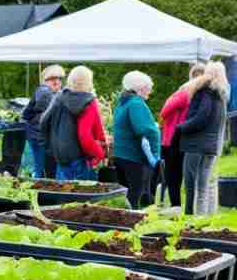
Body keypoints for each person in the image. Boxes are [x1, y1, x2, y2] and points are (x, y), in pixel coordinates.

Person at [178, 61, 230, 215]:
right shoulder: (221, 96)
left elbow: (201, 118)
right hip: (211, 146)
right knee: (203, 187)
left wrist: (180, 127)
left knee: (190, 184)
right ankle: (201, 221)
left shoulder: (205, 92)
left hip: (196, 145)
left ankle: (190, 220)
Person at [40, 66, 106, 181]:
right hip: (79, 158)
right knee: (84, 196)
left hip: (61, 157)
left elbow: (43, 122)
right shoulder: (88, 102)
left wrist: (50, 147)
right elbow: (84, 135)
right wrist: (99, 153)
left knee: (63, 194)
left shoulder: (58, 97)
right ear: (88, 82)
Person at [112, 71, 161, 208]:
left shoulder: (122, 102)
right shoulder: (136, 103)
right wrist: (155, 129)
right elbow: (144, 129)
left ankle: (121, 220)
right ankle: (131, 222)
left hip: (120, 155)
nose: (150, 92)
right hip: (132, 156)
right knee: (135, 194)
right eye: (148, 88)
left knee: (124, 195)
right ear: (140, 88)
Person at [160, 64, 204, 207]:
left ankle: (176, 207)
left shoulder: (185, 93)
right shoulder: (197, 94)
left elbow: (164, 111)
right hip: (184, 138)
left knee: (173, 177)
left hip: (174, 138)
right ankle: (181, 207)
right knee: (182, 176)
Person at [22, 65, 64, 178]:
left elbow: (26, 114)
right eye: (55, 79)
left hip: (35, 133)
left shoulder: (46, 91)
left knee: (39, 166)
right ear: (49, 80)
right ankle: (38, 189)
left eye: (60, 79)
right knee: (41, 168)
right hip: (40, 135)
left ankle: (37, 186)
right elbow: (46, 115)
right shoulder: (45, 92)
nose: (58, 81)